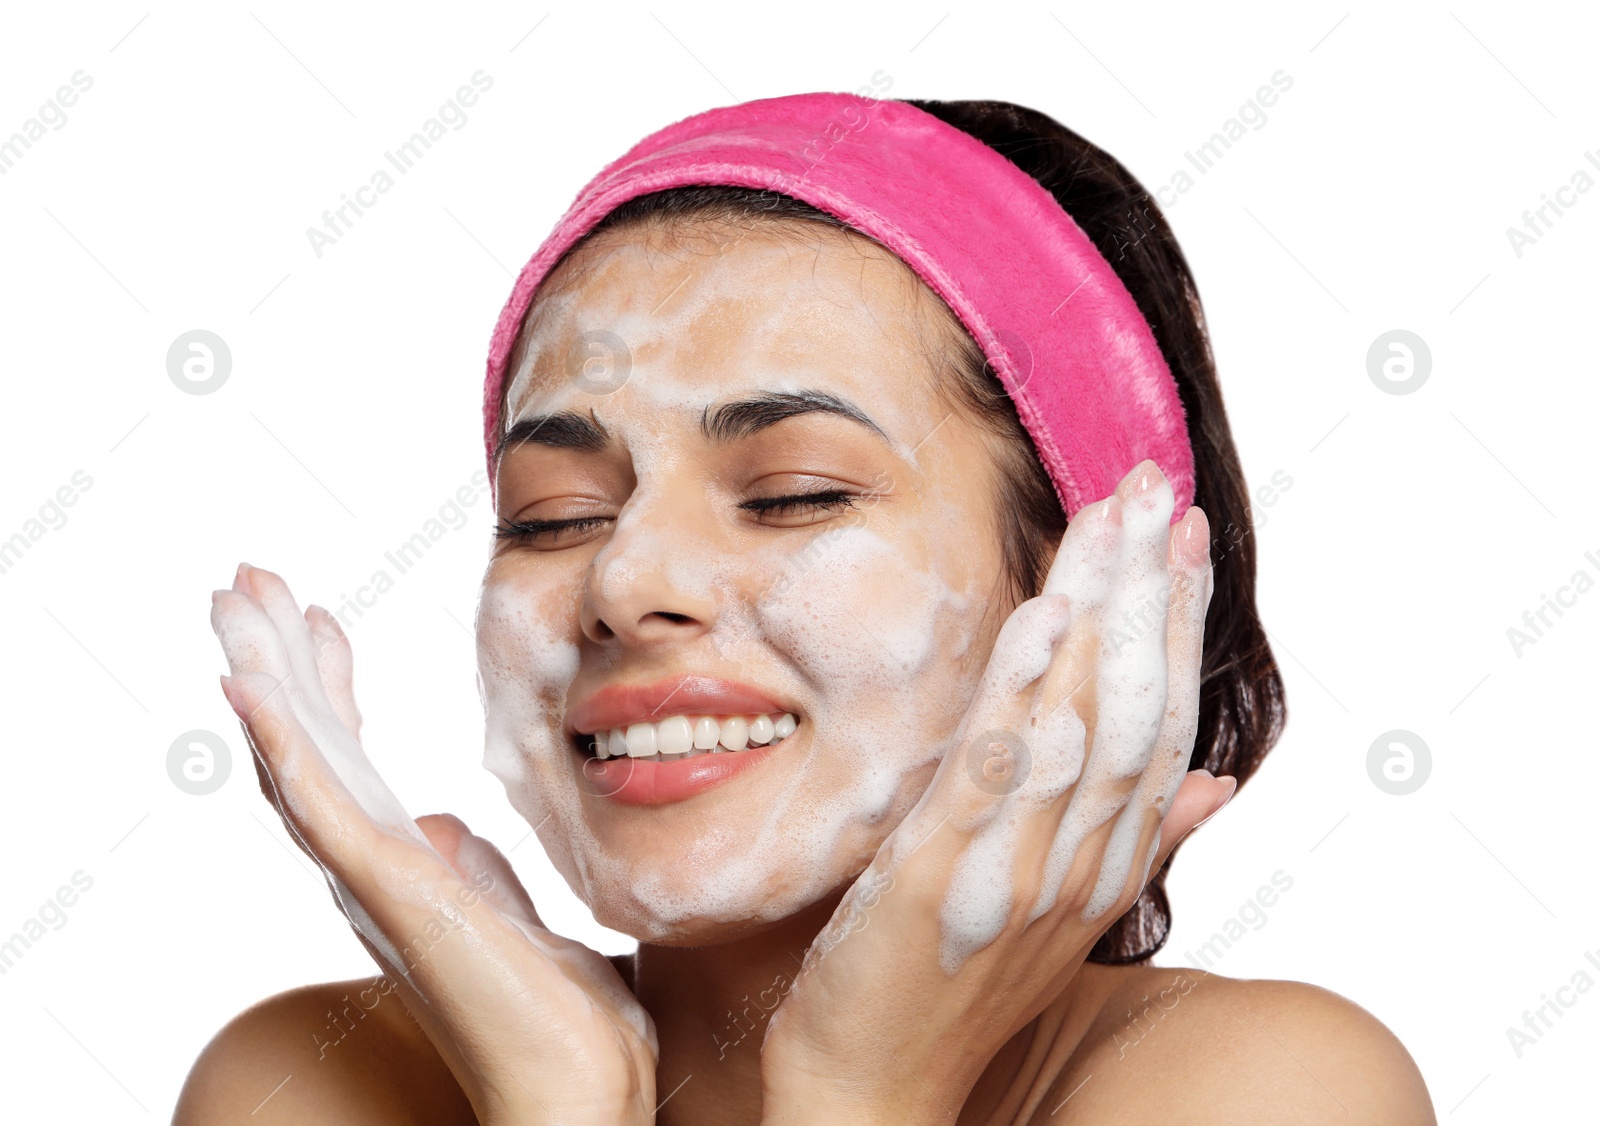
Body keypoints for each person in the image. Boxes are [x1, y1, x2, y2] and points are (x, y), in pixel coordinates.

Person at [176, 94, 1436, 1123]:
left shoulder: (1264, 1086)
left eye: (791, 492)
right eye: (553, 514)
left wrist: (860, 1092)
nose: (624, 584)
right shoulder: (314, 1087)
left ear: (1086, 588)